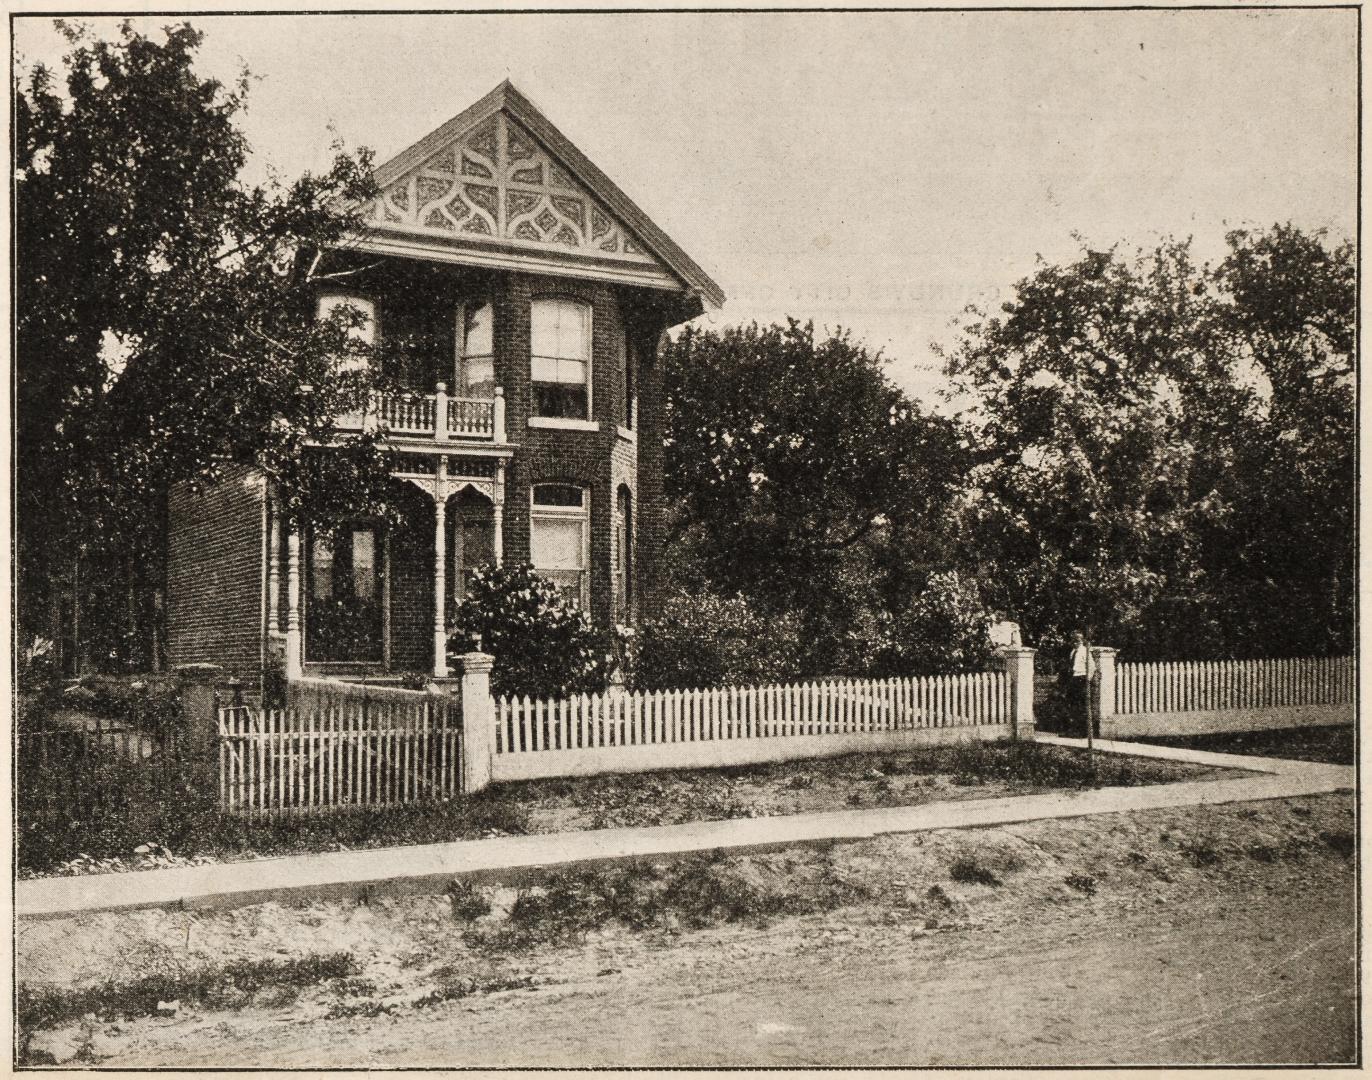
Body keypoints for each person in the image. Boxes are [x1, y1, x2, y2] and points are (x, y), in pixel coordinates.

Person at [1067, 631, 1095, 736]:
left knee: (1081, 705)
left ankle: (1082, 732)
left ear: (1082, 641)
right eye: (1073, 640)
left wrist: (1087, 679)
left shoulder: (1085, 651)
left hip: (1081, 678)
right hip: (1074, 678)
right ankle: (1073, 730)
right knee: (1073, 705)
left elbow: (1092, 666)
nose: (1075, 643)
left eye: (1077, 640)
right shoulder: (1073, 651)